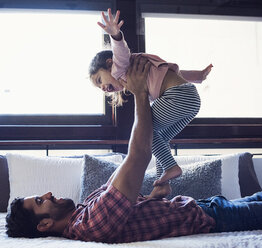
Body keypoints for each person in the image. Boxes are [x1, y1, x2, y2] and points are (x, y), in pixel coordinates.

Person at [5, 56, 262, 243]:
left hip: (208, 206)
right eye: (40, 202)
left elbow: (131, 204)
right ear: (43, 226)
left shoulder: (84, 210)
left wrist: (153, 196)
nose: (48, 194)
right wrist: (139, 93)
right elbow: (139, 155)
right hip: (216, 218)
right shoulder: (91, 224)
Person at [89, 8, 213, 193]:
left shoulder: (120, 66)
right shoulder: (146, 72)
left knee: (148, 132)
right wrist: (199, 76)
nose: (103, 88)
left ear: (109, 64)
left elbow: (121, 51)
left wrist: (115, 35)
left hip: (177, 97)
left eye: (100, 80)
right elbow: (175, 73)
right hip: (190, 99)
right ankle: (161, 183)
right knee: (159, 137)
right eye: (99, 88)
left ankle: (171, 167)